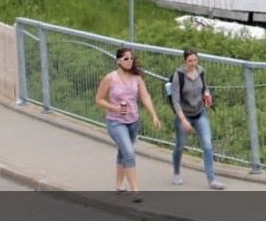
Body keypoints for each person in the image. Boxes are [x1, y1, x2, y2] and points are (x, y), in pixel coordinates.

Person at [94, 47, 161, 200]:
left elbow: (145, 96)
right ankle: (135, 190)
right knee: (129, 153)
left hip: (133, 121)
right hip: (115, 122)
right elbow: (99, 99)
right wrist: (114, 108)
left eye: (131, 58)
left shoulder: (136, 78)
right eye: (126, 59)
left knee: (123, 152)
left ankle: (119, 185)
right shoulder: (110, 78)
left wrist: (154, 115)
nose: (129, 61)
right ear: (118, 61)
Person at [169, 48, 224, 190]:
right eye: (190, 61)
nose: (193, 63)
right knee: (180, 146)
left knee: (207, 144)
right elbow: (175, 101)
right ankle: (176, 173)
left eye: (195, 60)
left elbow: (205, 88)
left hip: (200, 113)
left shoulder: (201, 71)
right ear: (184, 61)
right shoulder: (178, 76)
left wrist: (207, 95)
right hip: (184, 115)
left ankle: (212, 180)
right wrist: (183, 120)